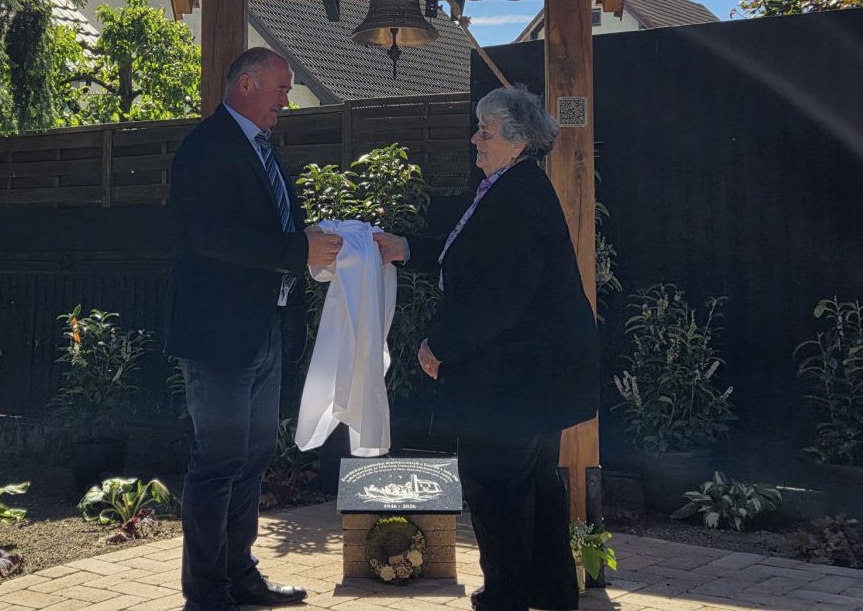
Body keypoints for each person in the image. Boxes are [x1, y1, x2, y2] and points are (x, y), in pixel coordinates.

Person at [374, 85, 599, 611]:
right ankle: (549, 590)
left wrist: (439, 345)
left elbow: (501, 297)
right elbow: (472, 259)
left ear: (517, 142)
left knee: (495, 487)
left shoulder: (516, 197)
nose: (475, 139)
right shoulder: (512, 187)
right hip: (533, 375)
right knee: (534, 484)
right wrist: (404, 248)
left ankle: (506, 596)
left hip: (514, 378)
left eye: (486, 131)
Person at [165, 47, 343, 611]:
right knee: (219, 460)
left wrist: (312, 243)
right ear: (245, 84)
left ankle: (240, 576)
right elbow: (210, 237)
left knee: (253, 456)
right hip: (218, 336)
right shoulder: (206, 147)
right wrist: (296, 249)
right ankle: (206, 593)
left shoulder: (262, 148)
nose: (286, 100)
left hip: (265, 329)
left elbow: (273, 230)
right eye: (280, 89)